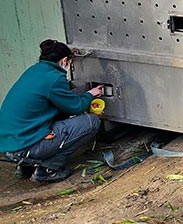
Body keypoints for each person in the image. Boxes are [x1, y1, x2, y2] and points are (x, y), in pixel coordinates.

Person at [0, 40, 105, 182]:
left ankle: (26, 166)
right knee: (91, 122)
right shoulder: (54, 79)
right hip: (25, 146)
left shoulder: (34, 71)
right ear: (64, 61)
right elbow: (75, 106)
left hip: (8, 145)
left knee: (54, 124)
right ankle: (48, 169)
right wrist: (90, 94)